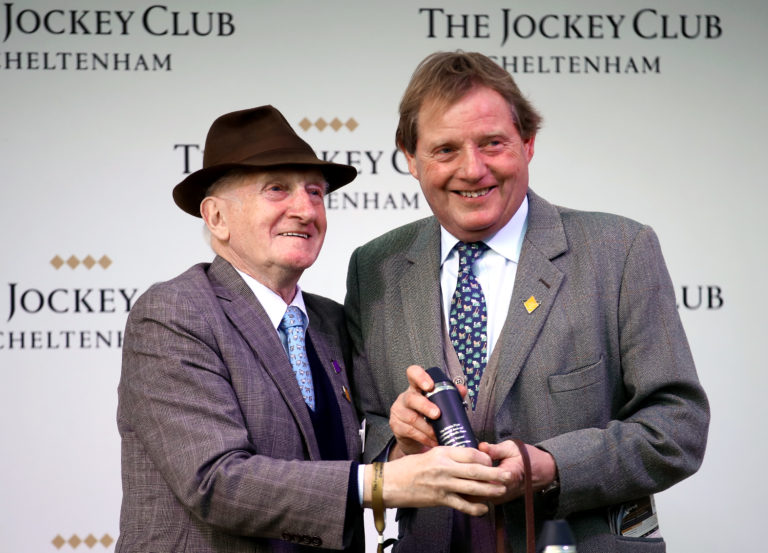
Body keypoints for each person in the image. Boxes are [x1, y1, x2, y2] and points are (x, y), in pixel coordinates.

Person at [344, 51, 710, 552]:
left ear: (528, 142)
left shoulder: (619, 251)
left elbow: (678, 427)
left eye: (492, 143)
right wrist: (401, 446)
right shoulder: (374, 268)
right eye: (445, 150)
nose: (472, 170)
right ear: (410, 157)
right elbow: (370, 439)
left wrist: (552, 466)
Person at [116, 105, 513, 553]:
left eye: (315, 193)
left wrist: (406, 441)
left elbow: (348, 458)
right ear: (216, 218)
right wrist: (382, 481)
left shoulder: (329, 322)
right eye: (276, 190)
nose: (305, 210)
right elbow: (215, 481)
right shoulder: (173, 313)